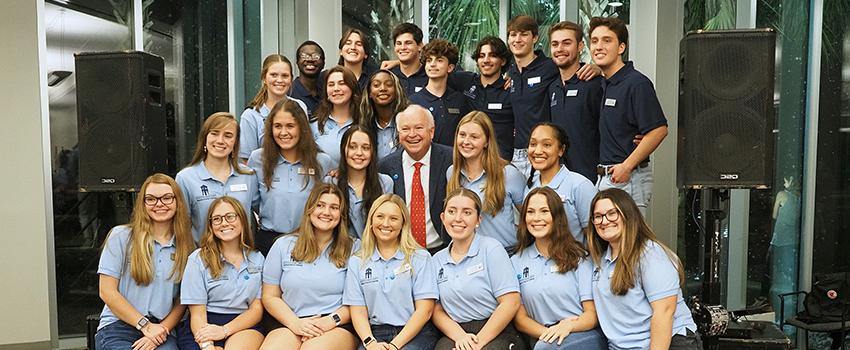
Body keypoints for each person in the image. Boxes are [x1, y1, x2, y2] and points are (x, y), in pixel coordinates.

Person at [587, 188, 702, 350]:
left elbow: (664, 312)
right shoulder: (600, 261)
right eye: (597, 216)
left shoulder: (651, 254)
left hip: (671, 343)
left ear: (628, 215)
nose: (604, 221)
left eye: (612, 213)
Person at [95, 173, 194, 350]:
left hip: (162, 330)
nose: (159, 204)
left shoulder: (187, 246)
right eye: (151, 199)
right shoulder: (122, 237)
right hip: (119, 327)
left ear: (177, 201)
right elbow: (107, 291)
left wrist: (160, 329)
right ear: (143, 204)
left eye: (167, 198)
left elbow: (182, 301)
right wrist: (145, 326)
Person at [260, 184, 358, 350]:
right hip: (290, 320)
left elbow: (358, 301)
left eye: (334, 207)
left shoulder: (355, 248)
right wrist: (295, 324)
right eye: (320, 205)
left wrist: (329, 321)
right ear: (309, 209)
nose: (326, 212)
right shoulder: (283, 245)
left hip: (336, 323)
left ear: (341, 215)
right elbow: (270, 296)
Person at [590, 17, 668, 215]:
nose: (598, 46)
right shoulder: (605, 83)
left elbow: (659, 130)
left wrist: (627, 166)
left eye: (607, 40)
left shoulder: (636, 83)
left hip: (628, 178)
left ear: (621, 47)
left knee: (630, 244)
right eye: (594, 40)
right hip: (607, 178)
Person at [512, 187, 607, 350]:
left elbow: (592, 315)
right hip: (543, 338)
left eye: (544, 211)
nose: (536, 218)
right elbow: (520, 319)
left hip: (582, 333)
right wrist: (550, 333)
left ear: (556, 217)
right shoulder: (515, 262)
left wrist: (567, 327)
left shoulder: (579, 257)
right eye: (530, 212)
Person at [432, 188, 525, 350]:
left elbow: (510, 302)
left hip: (497, 330)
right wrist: (460, 337)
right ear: (443, 217)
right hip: (457, 332)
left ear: (478, 220)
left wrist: (477, 343)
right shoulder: (436, 260)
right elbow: (436, 309)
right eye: (452, 211)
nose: (458, 218)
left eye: (467, 212)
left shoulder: (491, 249)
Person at [343, 194, 439, 350]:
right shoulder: (358, 261)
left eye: (394, 218)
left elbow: (425, 311)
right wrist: (370, 343)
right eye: (380, 216)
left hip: (414, 332)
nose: (386, 223)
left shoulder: (420, 257)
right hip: (375, 333)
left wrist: (394, 346)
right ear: (372, 221)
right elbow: (358, 311)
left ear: (403, 224)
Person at [177, 197, 265, 350]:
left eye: (230, 216)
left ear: (243, 220)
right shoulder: (198, 259)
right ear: (211, 226)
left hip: (244, 325)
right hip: (204, 324)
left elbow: (256, 309)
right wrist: (207, 346)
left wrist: (224, 331)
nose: (224, 223)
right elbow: (197, 314)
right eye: (217, 219)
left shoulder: (257, 259)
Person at [248, 99, 333, 255]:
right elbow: (253, 202)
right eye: (277, 126)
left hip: (309, 241)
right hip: (269, 242)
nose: (283, 133)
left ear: (301, 128)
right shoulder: (258, 159)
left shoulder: (321, 161)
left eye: (290, 126)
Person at [378, 104, 453, 253]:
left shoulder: (451, 159)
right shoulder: (385, 166)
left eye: (419, 128)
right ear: (399, 134)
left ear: (431, 132)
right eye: (405, 129)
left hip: (443, 250)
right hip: (402, 251)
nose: (412, 134)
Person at [446, 111, 525, 251]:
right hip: (470, 255)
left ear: (487, 141)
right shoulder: (452, 173)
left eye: (474, 137)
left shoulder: (508, 174)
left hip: (507, 253)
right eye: (462, 135)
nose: (466, 142)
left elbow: (529, 216)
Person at [176, 112, 258, 242]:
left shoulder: (248, 176)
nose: (220, 140)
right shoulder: (185, 179)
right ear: (204, 138)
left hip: (242, 258)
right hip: (203, 257)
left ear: (235, 143)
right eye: (214, 133)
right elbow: (181, 226)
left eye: (228, 135)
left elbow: (264, 214)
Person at [547, 21, 604, 182]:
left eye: (567, 43)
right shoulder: (553, 87)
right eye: (555, 44)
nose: (559, 49)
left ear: (580, 46)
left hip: (591, 177)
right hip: (560, 178)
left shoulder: (595, 84)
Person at [526, 123, 597, 246]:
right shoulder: (529, 187)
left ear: (561, 150)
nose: (537, 151)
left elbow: (593, 237)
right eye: (533, 144)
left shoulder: (580, 185)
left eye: (547, 145)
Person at [240, 54, 310, 161]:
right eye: (273, 75)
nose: (279, 80)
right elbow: (247, 161)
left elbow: (305, 146)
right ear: (264, 78)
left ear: (291, 79)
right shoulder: (250, 116)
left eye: (285, 76)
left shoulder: (300, 107)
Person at [330, 126, 393, 238]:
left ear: (373, 152)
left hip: (373, 250)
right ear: (343, 149)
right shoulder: (331, 182)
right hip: (340, 250)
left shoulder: (385, 183)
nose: (359, 153)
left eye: (365, 148)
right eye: (352, 147)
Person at [408, 39, 471, 147]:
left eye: (439, 60)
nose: (432, 64)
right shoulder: (412, 101)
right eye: (429, 60)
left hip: (454, 161)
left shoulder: (460, 100)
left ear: (450, 67)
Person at [461, 36, 514, 160]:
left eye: (492, 55)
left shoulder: (510, 90)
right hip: (471, 161)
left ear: (503, 61)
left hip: (501, 162)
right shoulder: (465, 82)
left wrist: (514, 77)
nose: (486, 60)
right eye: (481, 56)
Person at [311, 65, 361, 170]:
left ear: (352, 87)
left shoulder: (364, 122)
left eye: (342, 83)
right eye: (331, 85)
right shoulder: (314, 125)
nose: (336, 89)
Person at [359, 69, 409, 158]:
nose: (382, 88)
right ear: (369, 92)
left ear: (396, 90)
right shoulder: (363, 125)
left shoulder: (408, 122)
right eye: (376, 85)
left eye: (389, 85)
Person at [388, 23, 428, 96]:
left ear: (420, 46)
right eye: (399, 43)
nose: (403, 47)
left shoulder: (430, 75)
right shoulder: (388, 76)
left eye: (408, 43)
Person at [291, 41, 326, 115]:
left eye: (315, 56)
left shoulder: (329, 91)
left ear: (323, 63)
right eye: (304, 56)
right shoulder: (290, 93)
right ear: (297, 62)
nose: (310, 60)